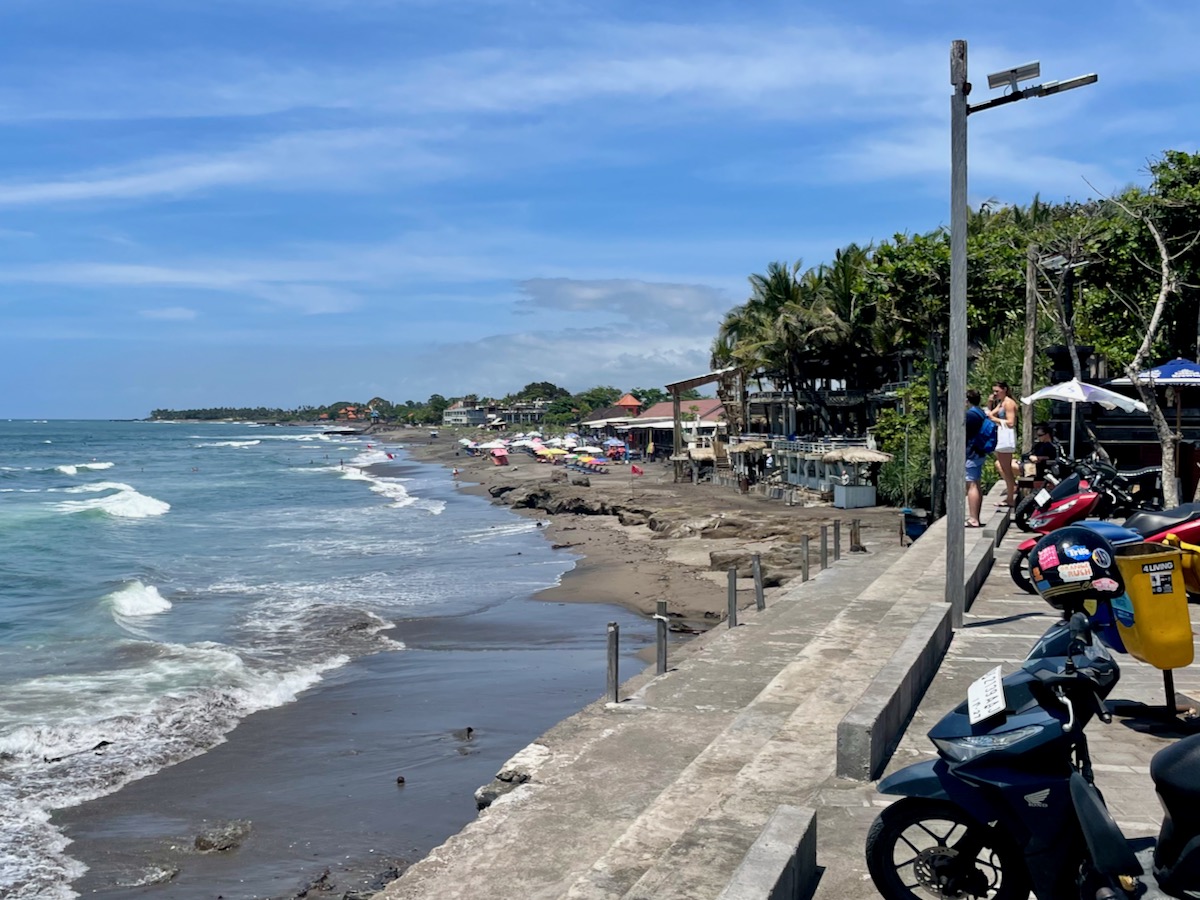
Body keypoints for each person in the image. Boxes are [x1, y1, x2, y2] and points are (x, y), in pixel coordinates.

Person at [986, 381, 1019, 509]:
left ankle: (1010, 498)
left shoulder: (1009, 403)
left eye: (997, 391)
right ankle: (1010, 494)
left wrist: (995, 420)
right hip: (1000, 437)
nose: (995, 393)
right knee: (1003, 467)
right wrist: (990, 403)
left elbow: (1011, 423)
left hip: (1006, 438)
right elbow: (990, 414)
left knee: (1007, 470)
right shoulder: (1001, 403)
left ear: (1004, 389)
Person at [965, 389, 987, 527]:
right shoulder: (980, 412)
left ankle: (973, 518)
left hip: (971, 452)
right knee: (976, 484)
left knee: (971, 485)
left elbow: (963, 432)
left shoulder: (970, 415)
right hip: (979, 451)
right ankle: (975, 516)